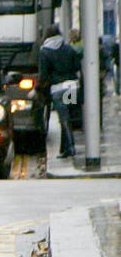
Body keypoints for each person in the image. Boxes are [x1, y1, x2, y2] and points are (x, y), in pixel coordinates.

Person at [38, 24, 82, 158]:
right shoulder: (68, 48)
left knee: (63, 118)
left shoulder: (44, 51)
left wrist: (39, 89)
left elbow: (44, 75)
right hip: (71, 86)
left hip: (57, 88)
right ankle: (64, 148)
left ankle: (71, 147)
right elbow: (77, 67)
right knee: (68, 116)